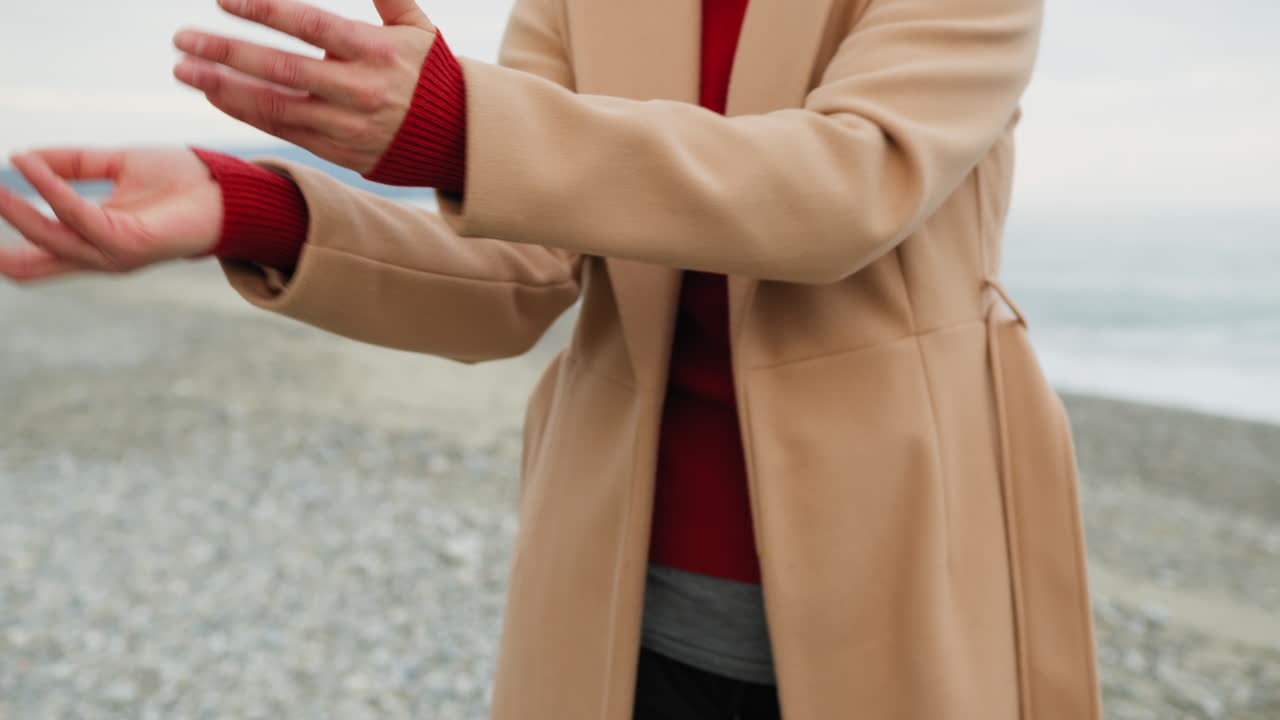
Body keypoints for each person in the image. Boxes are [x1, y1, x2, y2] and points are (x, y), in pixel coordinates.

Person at [0, 0, 1105, 718]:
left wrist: (458, 125)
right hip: (618, 590)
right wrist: (250, 209)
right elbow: (522, 271)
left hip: (906, 568)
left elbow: (843, 189)